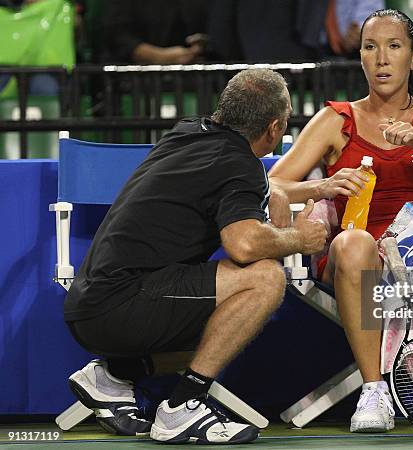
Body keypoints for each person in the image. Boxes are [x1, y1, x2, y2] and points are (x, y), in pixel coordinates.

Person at [64, 68, 327, 445]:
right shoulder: (239, 165)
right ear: (273, 128)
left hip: (91, 302)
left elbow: (240, 186)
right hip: (121, 306)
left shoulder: (189, 131)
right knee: (265, 279)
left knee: (226, 323)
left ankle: (116, 374)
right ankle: (182, 408)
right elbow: (245, 244)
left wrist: (293, 192)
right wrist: (299, 237)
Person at [268, 9, 413, 433]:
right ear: (361, 58)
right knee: (354, 244)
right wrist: (324, 186)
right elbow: (274, 182)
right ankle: (373, 391)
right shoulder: (337, 119)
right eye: (371, 48)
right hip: (355, 253)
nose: (382, 59)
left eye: (394, 47)